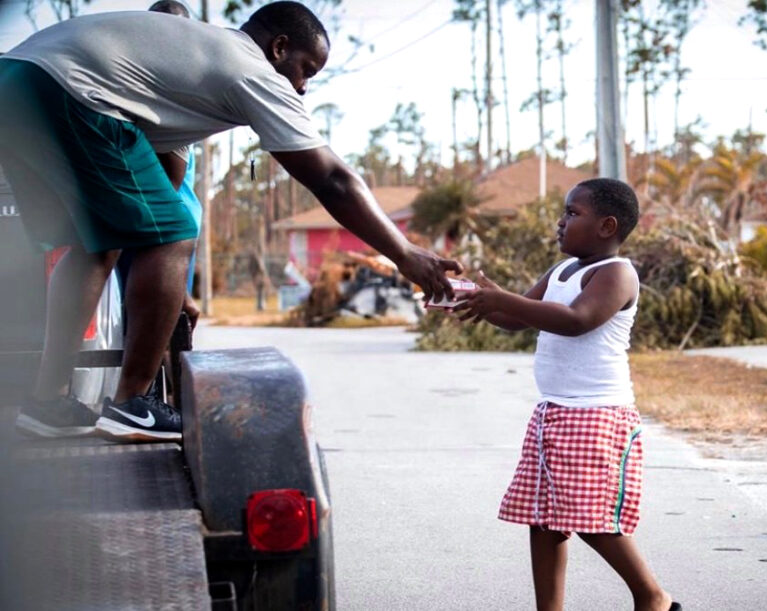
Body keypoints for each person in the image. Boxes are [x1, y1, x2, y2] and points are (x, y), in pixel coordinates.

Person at [0, 1, 460, 441]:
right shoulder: (251, 68)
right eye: (305, 70)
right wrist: (405, 254)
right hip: (71, 89)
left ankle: (48, 405)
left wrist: (169, 289)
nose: (301, 88)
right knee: (178, 232)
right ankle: (133, 404)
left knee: (93, 244)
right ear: (279, 47)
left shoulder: (186, 64)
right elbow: (333, 180)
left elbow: (163, 181)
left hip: (17, 81)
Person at [454, 178, 680, 611]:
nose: (560, 222)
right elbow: (518, 318)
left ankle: (653, 598)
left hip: (597, 415)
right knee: (544, 521)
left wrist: (504, 299)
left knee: (590, 519)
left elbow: (577, 319)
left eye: (573, 213)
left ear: (607, 226)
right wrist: (473, 299)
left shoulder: (616, 273)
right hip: (554, 413)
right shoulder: (560, 271)